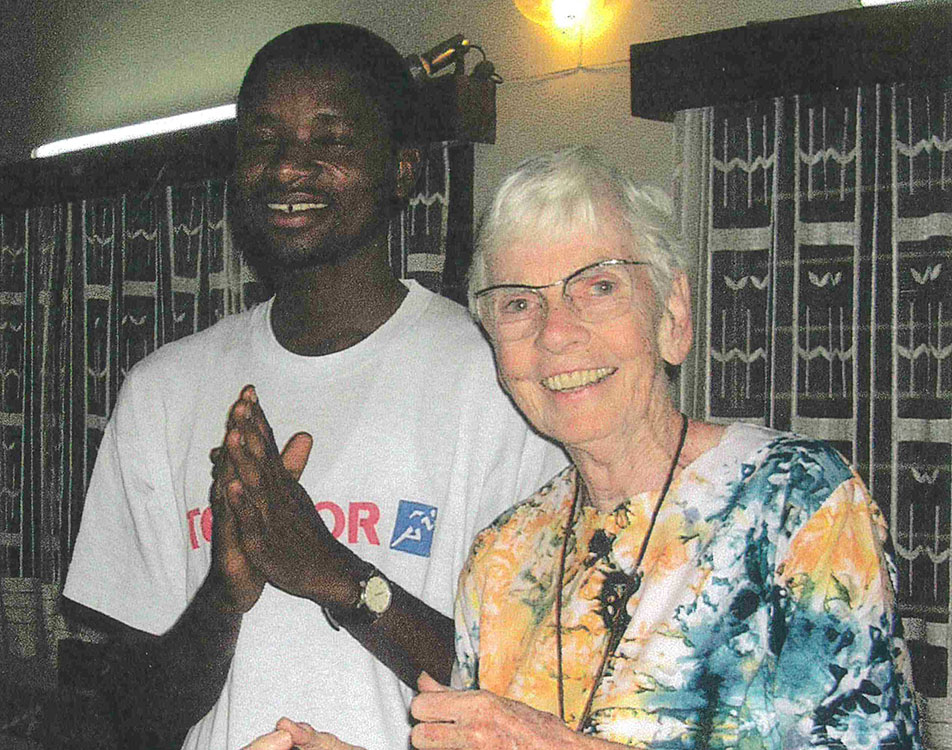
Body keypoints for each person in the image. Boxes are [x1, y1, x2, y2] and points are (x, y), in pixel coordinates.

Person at [255, 145, 924, 749]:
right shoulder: (503, 558)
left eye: (598, 287)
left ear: (673, 316)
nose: (556, 334)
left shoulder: (795, 503)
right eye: (519, 303)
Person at [62, 24, 564, 750]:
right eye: (264, 140)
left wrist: (337, 575)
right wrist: (224, 596)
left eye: (329, 140)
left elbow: (533, 702)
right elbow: (132, 718)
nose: (289, 167)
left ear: (402, 170)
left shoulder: (497, 383)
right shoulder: (162, 393)